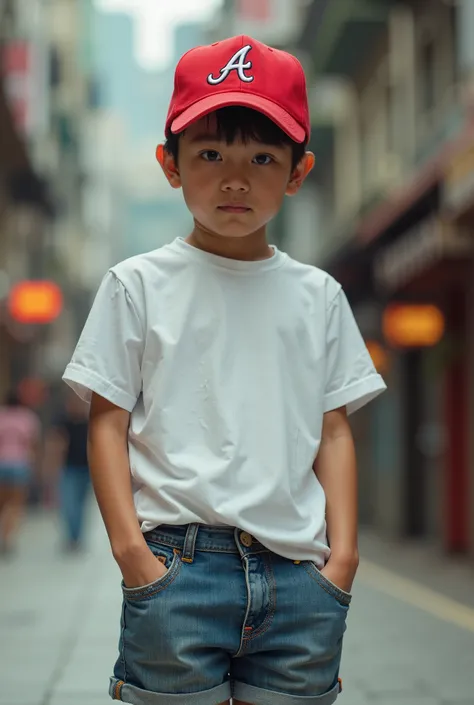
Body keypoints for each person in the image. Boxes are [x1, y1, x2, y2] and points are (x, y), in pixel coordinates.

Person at [63, 35, 387, 705]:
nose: (235, 179)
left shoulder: (318, 295)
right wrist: (133, 557)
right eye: (210, 154)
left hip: (300, 572)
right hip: (178, 568)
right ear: (170, 164)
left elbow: (333, 431)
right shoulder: (137, 285)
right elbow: (106, 424)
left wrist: (344, 558)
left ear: (298, 173)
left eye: (263, 157)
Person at [45, 392, 90, 552]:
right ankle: (72, 537)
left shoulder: (88, 420)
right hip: (68, 469)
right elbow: (54, 443)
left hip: (86, 469)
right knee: (69, 504)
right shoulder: (62, 420)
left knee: (81, 505)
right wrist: (51, 467)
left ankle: (77, 537)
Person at [0, 390, 40, 556]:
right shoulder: (27, 417)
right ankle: (8, 538)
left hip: (1, 463)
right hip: (20, 464)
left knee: (2, 504)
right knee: (15, 505)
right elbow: (32, 443)